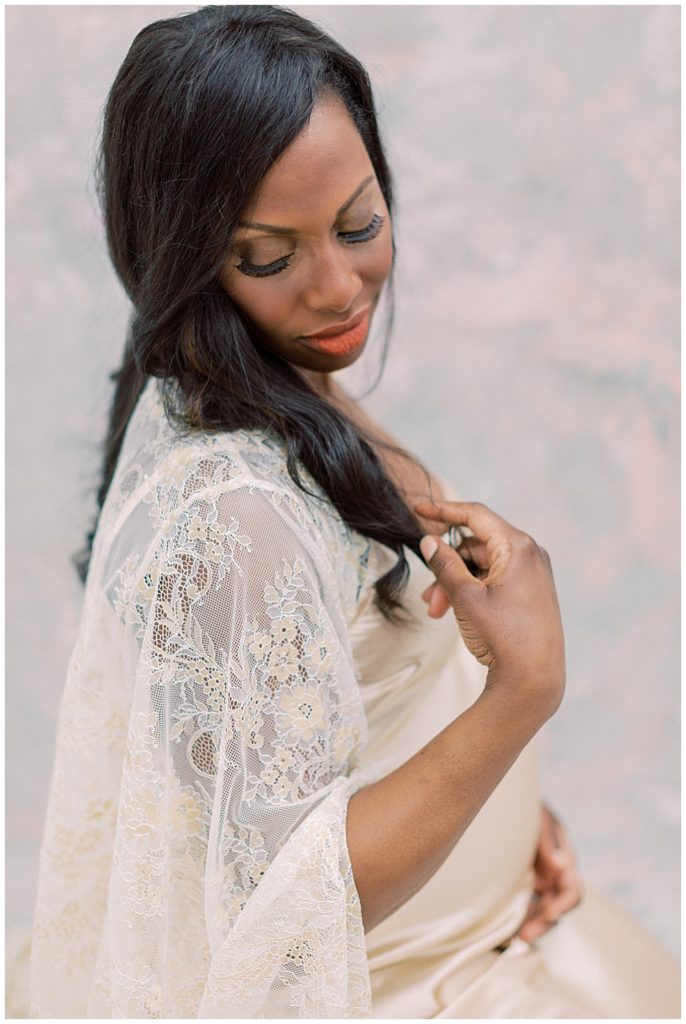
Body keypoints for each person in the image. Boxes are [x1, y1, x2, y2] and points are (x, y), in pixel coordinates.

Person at [27, 5, 679, 1019]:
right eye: (266, 255)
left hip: (494, 922)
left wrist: (508, 813)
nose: (338, 288)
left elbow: (358, 726)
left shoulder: (285, 381)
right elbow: (283, 908)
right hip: (411, 986)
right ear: (184, 254)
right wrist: (522, 696)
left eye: (359, 223)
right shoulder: (231, 516)